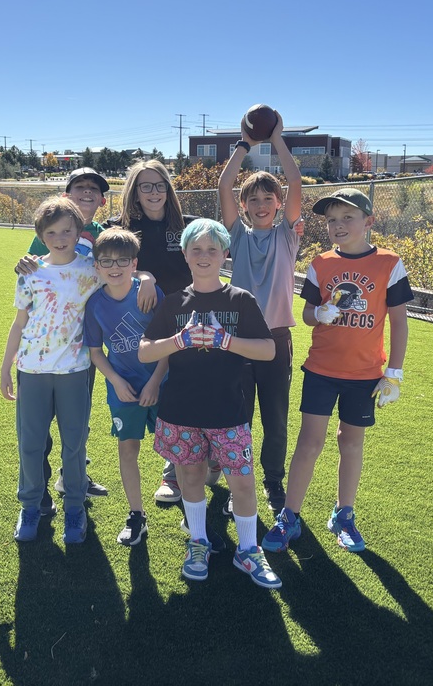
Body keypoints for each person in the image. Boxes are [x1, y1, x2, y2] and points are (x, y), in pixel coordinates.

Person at [261, 188, 412, 555]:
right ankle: (290, 516)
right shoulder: (321, 262)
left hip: (364, 373)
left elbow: (399, 322)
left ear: (369, 222)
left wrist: (394, 372)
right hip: (322, 370)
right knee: (309, 443)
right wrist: (321, 313)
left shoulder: (390, 263)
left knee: (351, 442)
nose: (338, 225)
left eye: (348, 217)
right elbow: (308, 314)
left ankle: (344, 515)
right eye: (332, 220)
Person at [139, 218, 282, 589]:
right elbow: (144, 352)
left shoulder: (241, 300)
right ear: (185, 255)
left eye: (212, 250)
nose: (204, 256)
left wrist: (226, 341)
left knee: (243, 483)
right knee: (190, 475)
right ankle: (198, 541)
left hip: (229, 411)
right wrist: (180, 340)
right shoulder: (173, 304)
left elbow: (267, 350)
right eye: (196, 250)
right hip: (181, 410)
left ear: (225, 254)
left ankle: (248, 550)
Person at [15, 167, 155, 511]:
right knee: (38, 430)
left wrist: (146, 275)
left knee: (75, 423)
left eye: (94, 189)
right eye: (80, 187)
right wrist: (23, 264)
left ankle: (71, 477)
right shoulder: (52, 226)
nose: (87, 193)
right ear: (67, 195)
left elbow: (114, 268)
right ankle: (39, 492)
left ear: (102, 198)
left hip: (83, 349)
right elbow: (34, 266)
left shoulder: (104, 233)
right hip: (43, 353)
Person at [0, 197, 101, 544]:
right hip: (32, 370)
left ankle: (75, 509)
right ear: (41, 236)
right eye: (52, 232)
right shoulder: (30, 273)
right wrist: (5, 367)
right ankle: (30, 507)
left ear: (78, 232)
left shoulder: (91, 271)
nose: (60, 237)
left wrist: (145, 279)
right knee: (30, 443)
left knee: (74, 444)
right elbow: (19, 323)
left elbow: (123, 279)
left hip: (74, 370)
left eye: (67, 231)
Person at [217, 109, 302, 514]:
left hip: (276, 339)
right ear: (245, 206)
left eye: (269, 198)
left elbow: (296, 181)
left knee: (275, 415)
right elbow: (224, 185)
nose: (262, 203)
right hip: (238, 338)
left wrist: (277, 140)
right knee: (238, 416)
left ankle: (272, 481)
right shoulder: (237, 234)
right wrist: (245, 145)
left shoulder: (288, 234)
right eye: (254, 199)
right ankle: (239, 477)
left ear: (279, 203)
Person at [106, 160, 198, 504]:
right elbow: (103, 263)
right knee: (151, 400)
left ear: (168, 189)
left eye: (159, 185)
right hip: (139, 333)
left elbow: (222, 250)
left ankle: (180, 469)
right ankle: (172, 476)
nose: (154, 192)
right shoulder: (120, 228)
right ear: (134, 191)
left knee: (181, 401)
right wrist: (143, 275)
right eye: (145, 186)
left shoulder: (188, 226)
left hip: (186, 325)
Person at [84, 228, 169, 546]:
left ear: (134, 264)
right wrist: (117, 381)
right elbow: (96, 353)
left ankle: (194, 511)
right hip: (124, 390)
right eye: (106, 261)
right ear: (97, 267)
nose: (114, 267)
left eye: (122, 260)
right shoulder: (94, 305)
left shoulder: (148, 293)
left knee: (181, 450)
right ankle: (137, 515)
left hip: (162, 383)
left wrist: (156, 381)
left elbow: (168, 343)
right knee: (128, 449)